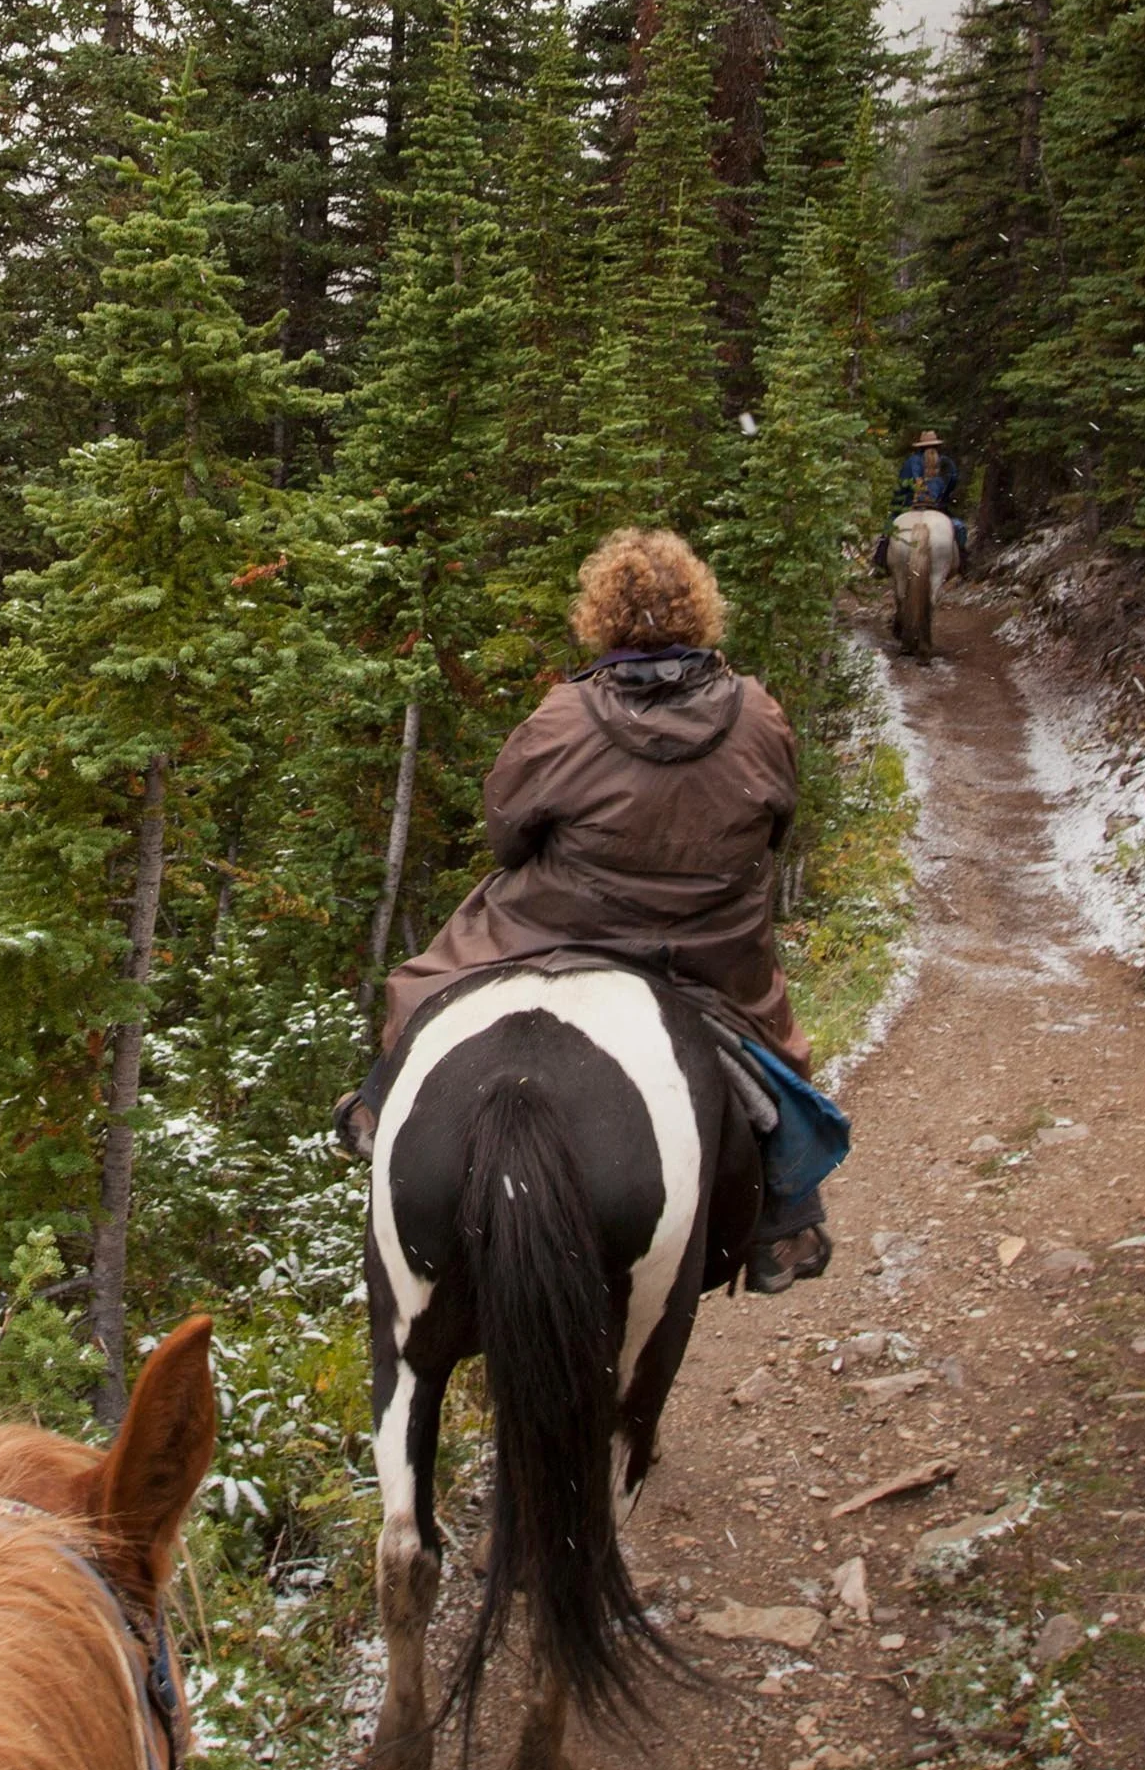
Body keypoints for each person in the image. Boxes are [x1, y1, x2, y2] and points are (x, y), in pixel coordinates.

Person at [338, 527, 832, 1296]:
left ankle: (380, 1100)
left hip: (565, 927)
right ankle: (788, 1212)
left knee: (432, 972)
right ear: (702, 613)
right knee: (776, 1044)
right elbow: (780, 823)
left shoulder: (565, 716)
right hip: (711, 945)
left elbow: (506, 836)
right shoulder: (758, 714)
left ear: (599, 616)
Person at [873, 429, 967, 573]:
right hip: (937, 508)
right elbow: (953, 480)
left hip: (910, 506)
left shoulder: (911, 462)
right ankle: (963, 562)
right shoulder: (945, 462)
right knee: (959, 528)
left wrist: (896, 506)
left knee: (889, 529)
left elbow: (901, 487)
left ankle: (879, 564)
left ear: (919, 446)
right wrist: (943, 497)